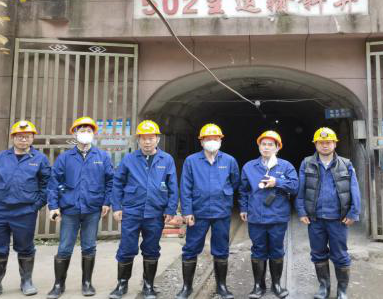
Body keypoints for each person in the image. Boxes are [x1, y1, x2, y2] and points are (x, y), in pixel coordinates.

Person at [0, 120, 51, 299]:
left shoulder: (40, 159)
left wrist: (36, 205)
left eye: (27, 136)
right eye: (20, 136)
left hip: (24, 211)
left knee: (25, 247)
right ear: (13, 137)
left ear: (32, 138)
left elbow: (47, 185)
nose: (23, 139)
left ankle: (26, 281)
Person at [110, 120, 179, 299]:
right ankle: (121, 285)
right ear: (138, 140)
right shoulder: (129, 159)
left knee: (151, 249)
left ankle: (148, 286)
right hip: (131, 211)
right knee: (126, 248)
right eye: (143, 138)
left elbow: (173, 186)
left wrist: (170, 209)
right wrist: (117, 207)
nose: (147, 142)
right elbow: (117, 183)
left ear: (157, 139)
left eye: (151, 138)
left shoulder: (167, 159)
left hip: (155, 213)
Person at [46, 116, 114, 298]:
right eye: (82, 130)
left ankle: (87, 283)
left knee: (89, 246)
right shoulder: (65, 158)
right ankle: (58, 285)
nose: (85, 134)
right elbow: (54, 183)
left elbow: (110, 182)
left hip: (92, 209)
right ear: (75, 134)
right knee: (64, 247)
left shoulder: (102, 157)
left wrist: (107, 202)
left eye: (89, 131)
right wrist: (53, 206)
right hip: (70, 209)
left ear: (94, 134)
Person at [176, 123, 240, 299]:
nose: (212, 141)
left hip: (221, 212)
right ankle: (187, 287)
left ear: (220, 140)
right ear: (201, 141)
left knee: (221, 249)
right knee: (191, 248)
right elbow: (185, 187)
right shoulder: (191, 161)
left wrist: (224, 194)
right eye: (208, 139)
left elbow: (235, 182)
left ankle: (221, 287)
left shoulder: (229, 161)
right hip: (198, 212)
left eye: (215, 138)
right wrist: (187, 211)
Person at [296, 127, 361, 299]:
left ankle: (342, 291)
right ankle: (324, 288)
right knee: (318, 254)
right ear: (316, 144)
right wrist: (301, 211)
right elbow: (301, 189)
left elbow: (354, 189)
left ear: (335, 144)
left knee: (340, 255)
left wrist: (353, 212)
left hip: (338, 219)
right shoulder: (307, 163)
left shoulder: (346, 164)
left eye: (328, 142)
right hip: (315, 219)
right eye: (321, 142)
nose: (325, 145)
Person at [239, 130, 298, 299]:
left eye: (270, 145)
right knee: (258, 250)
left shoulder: (285, 166)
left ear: (277, 147)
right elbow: (243, 190)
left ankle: (276, 284)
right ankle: (258, 286)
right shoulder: (249, 167)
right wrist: (243, 208)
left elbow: (295, 187)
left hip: (277, 216)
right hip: (256, 216)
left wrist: (277, 182)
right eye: (263, 144)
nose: (266, 147)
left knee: (277, 250)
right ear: (259, 146)